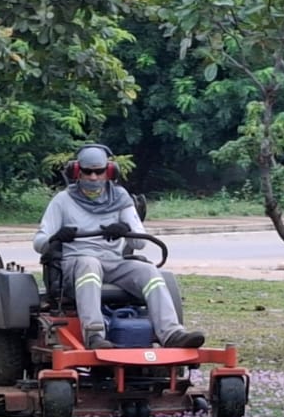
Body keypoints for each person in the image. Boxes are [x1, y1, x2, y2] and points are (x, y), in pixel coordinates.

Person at [32, 144, 205, 351]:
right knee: (89, 263)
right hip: (76, 265)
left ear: (110, 171)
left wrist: (125, 228)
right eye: (88, 172)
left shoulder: (121, 198)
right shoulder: (62, 201)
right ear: (77, 172)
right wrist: (56, 237)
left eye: (99, 171)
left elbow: (139, 242)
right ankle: (94, 335)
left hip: (113, 262)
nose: (94, 177)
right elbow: (39, 242)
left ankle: (171, 333)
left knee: (149, 271)